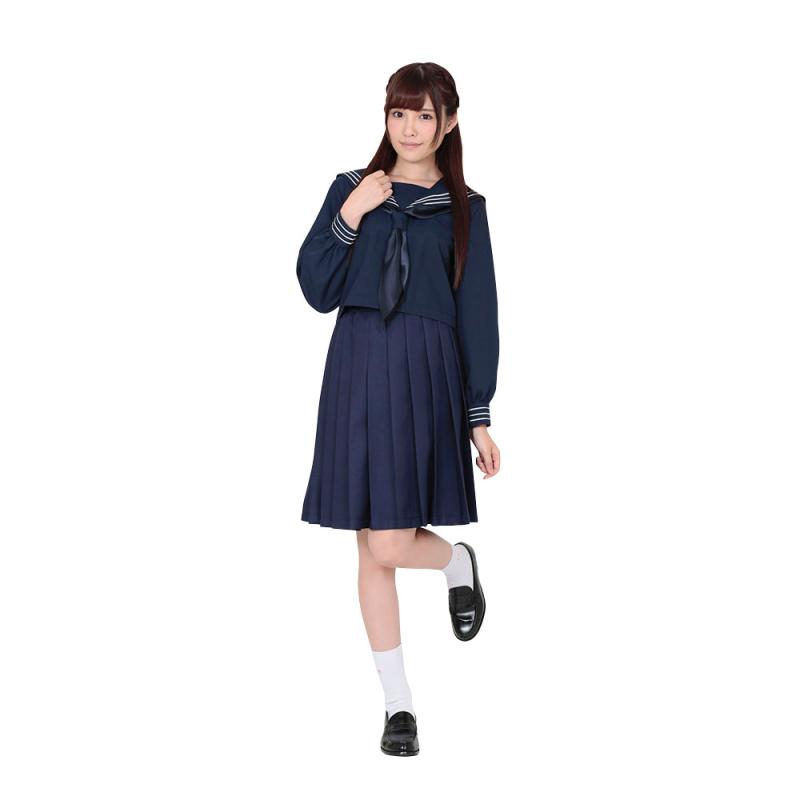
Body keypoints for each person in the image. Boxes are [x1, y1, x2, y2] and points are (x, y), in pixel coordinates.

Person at [295, 62, 501, 757]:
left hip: (424, 369)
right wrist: (351, 216)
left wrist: (478, 413)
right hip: (357, 364)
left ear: (449, 121)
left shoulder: (464, 208)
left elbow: (478, 312)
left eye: (424, 115)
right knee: (370, 544)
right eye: (398, 114)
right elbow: (316, 287)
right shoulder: (351, 188)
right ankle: (398, 705)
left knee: (389, 540)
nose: (410, 128)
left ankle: (454, 561)